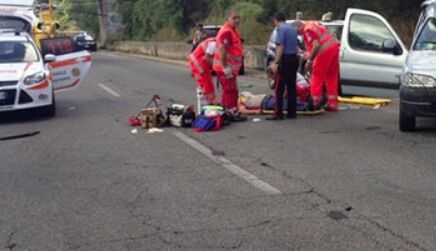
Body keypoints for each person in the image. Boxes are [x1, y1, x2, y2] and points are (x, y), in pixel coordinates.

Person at [295, 21, 340, 111]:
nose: (298, 34)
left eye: (297, 32)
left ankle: (315, 102)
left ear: (299, 27)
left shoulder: (307, 30)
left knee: (317, 76)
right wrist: (308, 54)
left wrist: (309, 61)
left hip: (324, 52)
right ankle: (332, 103)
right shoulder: (313, 24)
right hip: (334, 48)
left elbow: (316, 46)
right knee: (331, 76)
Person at [213, 10, 246, 121]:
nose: (237, 20)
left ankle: (225, 111)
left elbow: (233, 49)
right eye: (234, 18)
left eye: (238, 17)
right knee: (231, 91)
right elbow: (223, 50)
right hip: (225, 68)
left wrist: (242, 52)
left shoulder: (232, 31)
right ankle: (232, 113)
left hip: (229, 68)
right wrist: (225, 67)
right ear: (228, 19)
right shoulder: (227, 31)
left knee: (228, 91)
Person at [268, 12, 299, 120]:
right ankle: (292, 113)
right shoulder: (292, 29)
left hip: (285, 60)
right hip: (294, 59)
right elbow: (296, 46)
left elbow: (280, 46)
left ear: (276, 20)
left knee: (279, 88)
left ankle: (278, 113)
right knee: (292, 87)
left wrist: (276, 62)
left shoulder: (280, 29)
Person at [188, 37, 217, 104]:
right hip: (198, 61)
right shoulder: (214, 44)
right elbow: (207, 58)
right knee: (206, 82)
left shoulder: (214, 42)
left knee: (204, 83)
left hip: (197, 61)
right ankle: (209, 102)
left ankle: (206, 102)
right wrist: (219, 65)